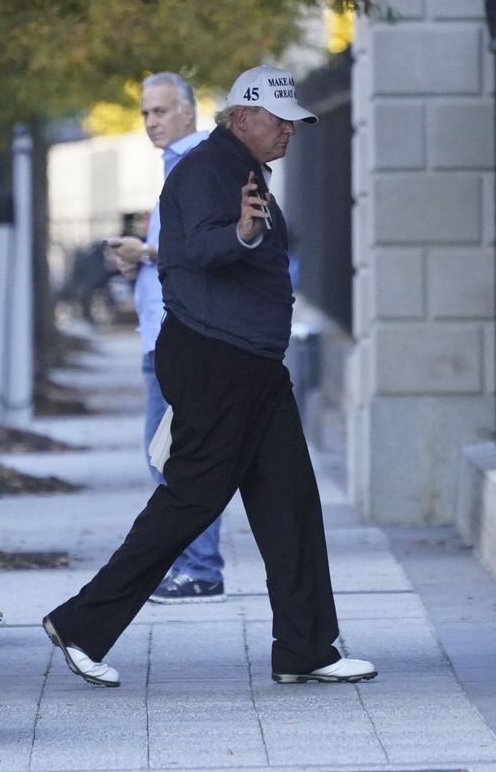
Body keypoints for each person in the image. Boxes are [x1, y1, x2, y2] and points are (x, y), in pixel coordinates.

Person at [42, 65, 376, 688]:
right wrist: (245, 234)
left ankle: (306, 648)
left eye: (295, 123)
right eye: (280, 121)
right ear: (244, 117)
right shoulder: (206, 170)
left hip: (248, 363)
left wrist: (248, 234)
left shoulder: (238, 169)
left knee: (290, 501)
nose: (290, 133)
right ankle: (83, 624)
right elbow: (199, 247)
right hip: (218, 360)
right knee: (191, 499)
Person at [103, 72, 226, 605]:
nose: (152, 122)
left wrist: (145, 253)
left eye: (161, 111)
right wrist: (139, 265)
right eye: (146, 112)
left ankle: (200, 569)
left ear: (188, 113)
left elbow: (200, 246)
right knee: (168, 454)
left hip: (183, 338)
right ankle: (192, 566)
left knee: (175, 456)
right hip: (163, 333)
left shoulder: (196, 162)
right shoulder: (176, 164)